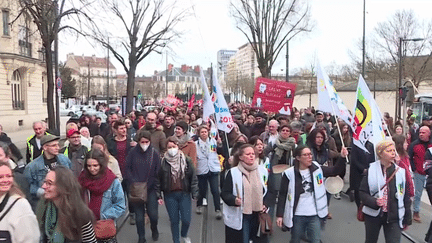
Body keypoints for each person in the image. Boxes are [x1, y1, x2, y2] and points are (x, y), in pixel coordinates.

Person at [276, 145, 348, 243]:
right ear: (298, 158)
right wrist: (280, 215)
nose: (309, 157)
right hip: (297, 215)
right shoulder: (289, 174)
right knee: (295, 240)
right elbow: (282, 194)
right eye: (305, 155)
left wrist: (342, 157)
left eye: (310, 154)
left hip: (314, 214)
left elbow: (334, 171)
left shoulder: (317, 168)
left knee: (315, 240)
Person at [359, 140, 412, 243]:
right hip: (374, 215)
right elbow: (362, 192)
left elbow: (405, 195)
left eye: (393, 150)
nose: (393, 153)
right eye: (389, 151)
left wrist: (407, 218)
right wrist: (374, 202)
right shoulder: (371, 170)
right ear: (380, 153)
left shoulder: (400, 171)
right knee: (370, 240)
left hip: (394, 216)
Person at [221, 144, 275, 243]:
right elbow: (225, 193)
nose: (251, 156)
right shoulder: (233, 173)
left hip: (258, 214)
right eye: (248, 154)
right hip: (241, 214)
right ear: (241, 157)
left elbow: (270, 191)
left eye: (253, 154)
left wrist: (265, 204)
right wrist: (234, 200)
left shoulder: (262, 171)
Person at [36, 166, 97, 242]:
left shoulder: (80, 214)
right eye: (45, 182)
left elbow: (90, 241)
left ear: (63, 187)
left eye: (49, 183)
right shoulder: (43, 207)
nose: (43, 186)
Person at [155, 136, 199, 243]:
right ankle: (176, 240)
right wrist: (158, 195)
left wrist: (195, 193)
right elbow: (158, 179)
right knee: (174, 220)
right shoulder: (162, 162)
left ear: (177, 146)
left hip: (184, 193)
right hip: (170, 195)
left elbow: (193, 177)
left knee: (186, 219)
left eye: (173, 146)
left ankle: (184, 234)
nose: (172, 149)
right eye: (169, 147)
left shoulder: (186, 160)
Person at [78, 149, 126, 243]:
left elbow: (120, 206)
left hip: (104, 228)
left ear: (101, 164)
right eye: (89, 166)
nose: (92, 169)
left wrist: (103, 215)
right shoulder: (82, 179)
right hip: (85, 227)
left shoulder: (112, 181)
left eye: (95, 165)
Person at [124, 130, 161, 242]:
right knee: (139, 217)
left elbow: (158, 172)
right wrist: (133, 181)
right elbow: (127, 169)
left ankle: (154, 229)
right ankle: (141, 237)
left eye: (147, 141)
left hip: (150, 189)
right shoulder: (132, 153)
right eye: (142, 141)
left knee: (153, 215)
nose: (145, 144)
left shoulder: (154, 153)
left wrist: (155, 186)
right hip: (137, 189)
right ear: (138, 141)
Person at [24, 134, 71, 210]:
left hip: (64, 201)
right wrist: (45, 192)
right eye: (54, 145)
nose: (57, 148)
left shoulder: (64, 160)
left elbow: (71, 178)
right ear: (45, 147)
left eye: (58, 145)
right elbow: (29, 187)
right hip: (45, 203)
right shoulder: (32, 167)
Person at [0, 160, 40, 243]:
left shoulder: (21, 205)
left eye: (9, 176)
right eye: (0, 177)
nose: (5, 180)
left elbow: (31, 239)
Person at [195, 125, 223, 219]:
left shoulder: (214, 141)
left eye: (205, 132)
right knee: (202, 190)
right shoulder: (195, 144)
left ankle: (217, 209)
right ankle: (199, 205)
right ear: (199, 134)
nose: (204, 133)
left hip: (213, 168)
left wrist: (220, 145)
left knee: (215, 190)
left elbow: (221, 152)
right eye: (202, 132)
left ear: (208, 133)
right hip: (202, 169)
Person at [408, 125, 432, 223]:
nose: (421, 134)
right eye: (420, 133)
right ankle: (416, 212)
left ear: (429, 133)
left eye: (423, 133)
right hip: (419, 173)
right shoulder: (414, 144)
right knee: (418, 194)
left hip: (430, 175)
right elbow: (409, 157)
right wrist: (414, 169)